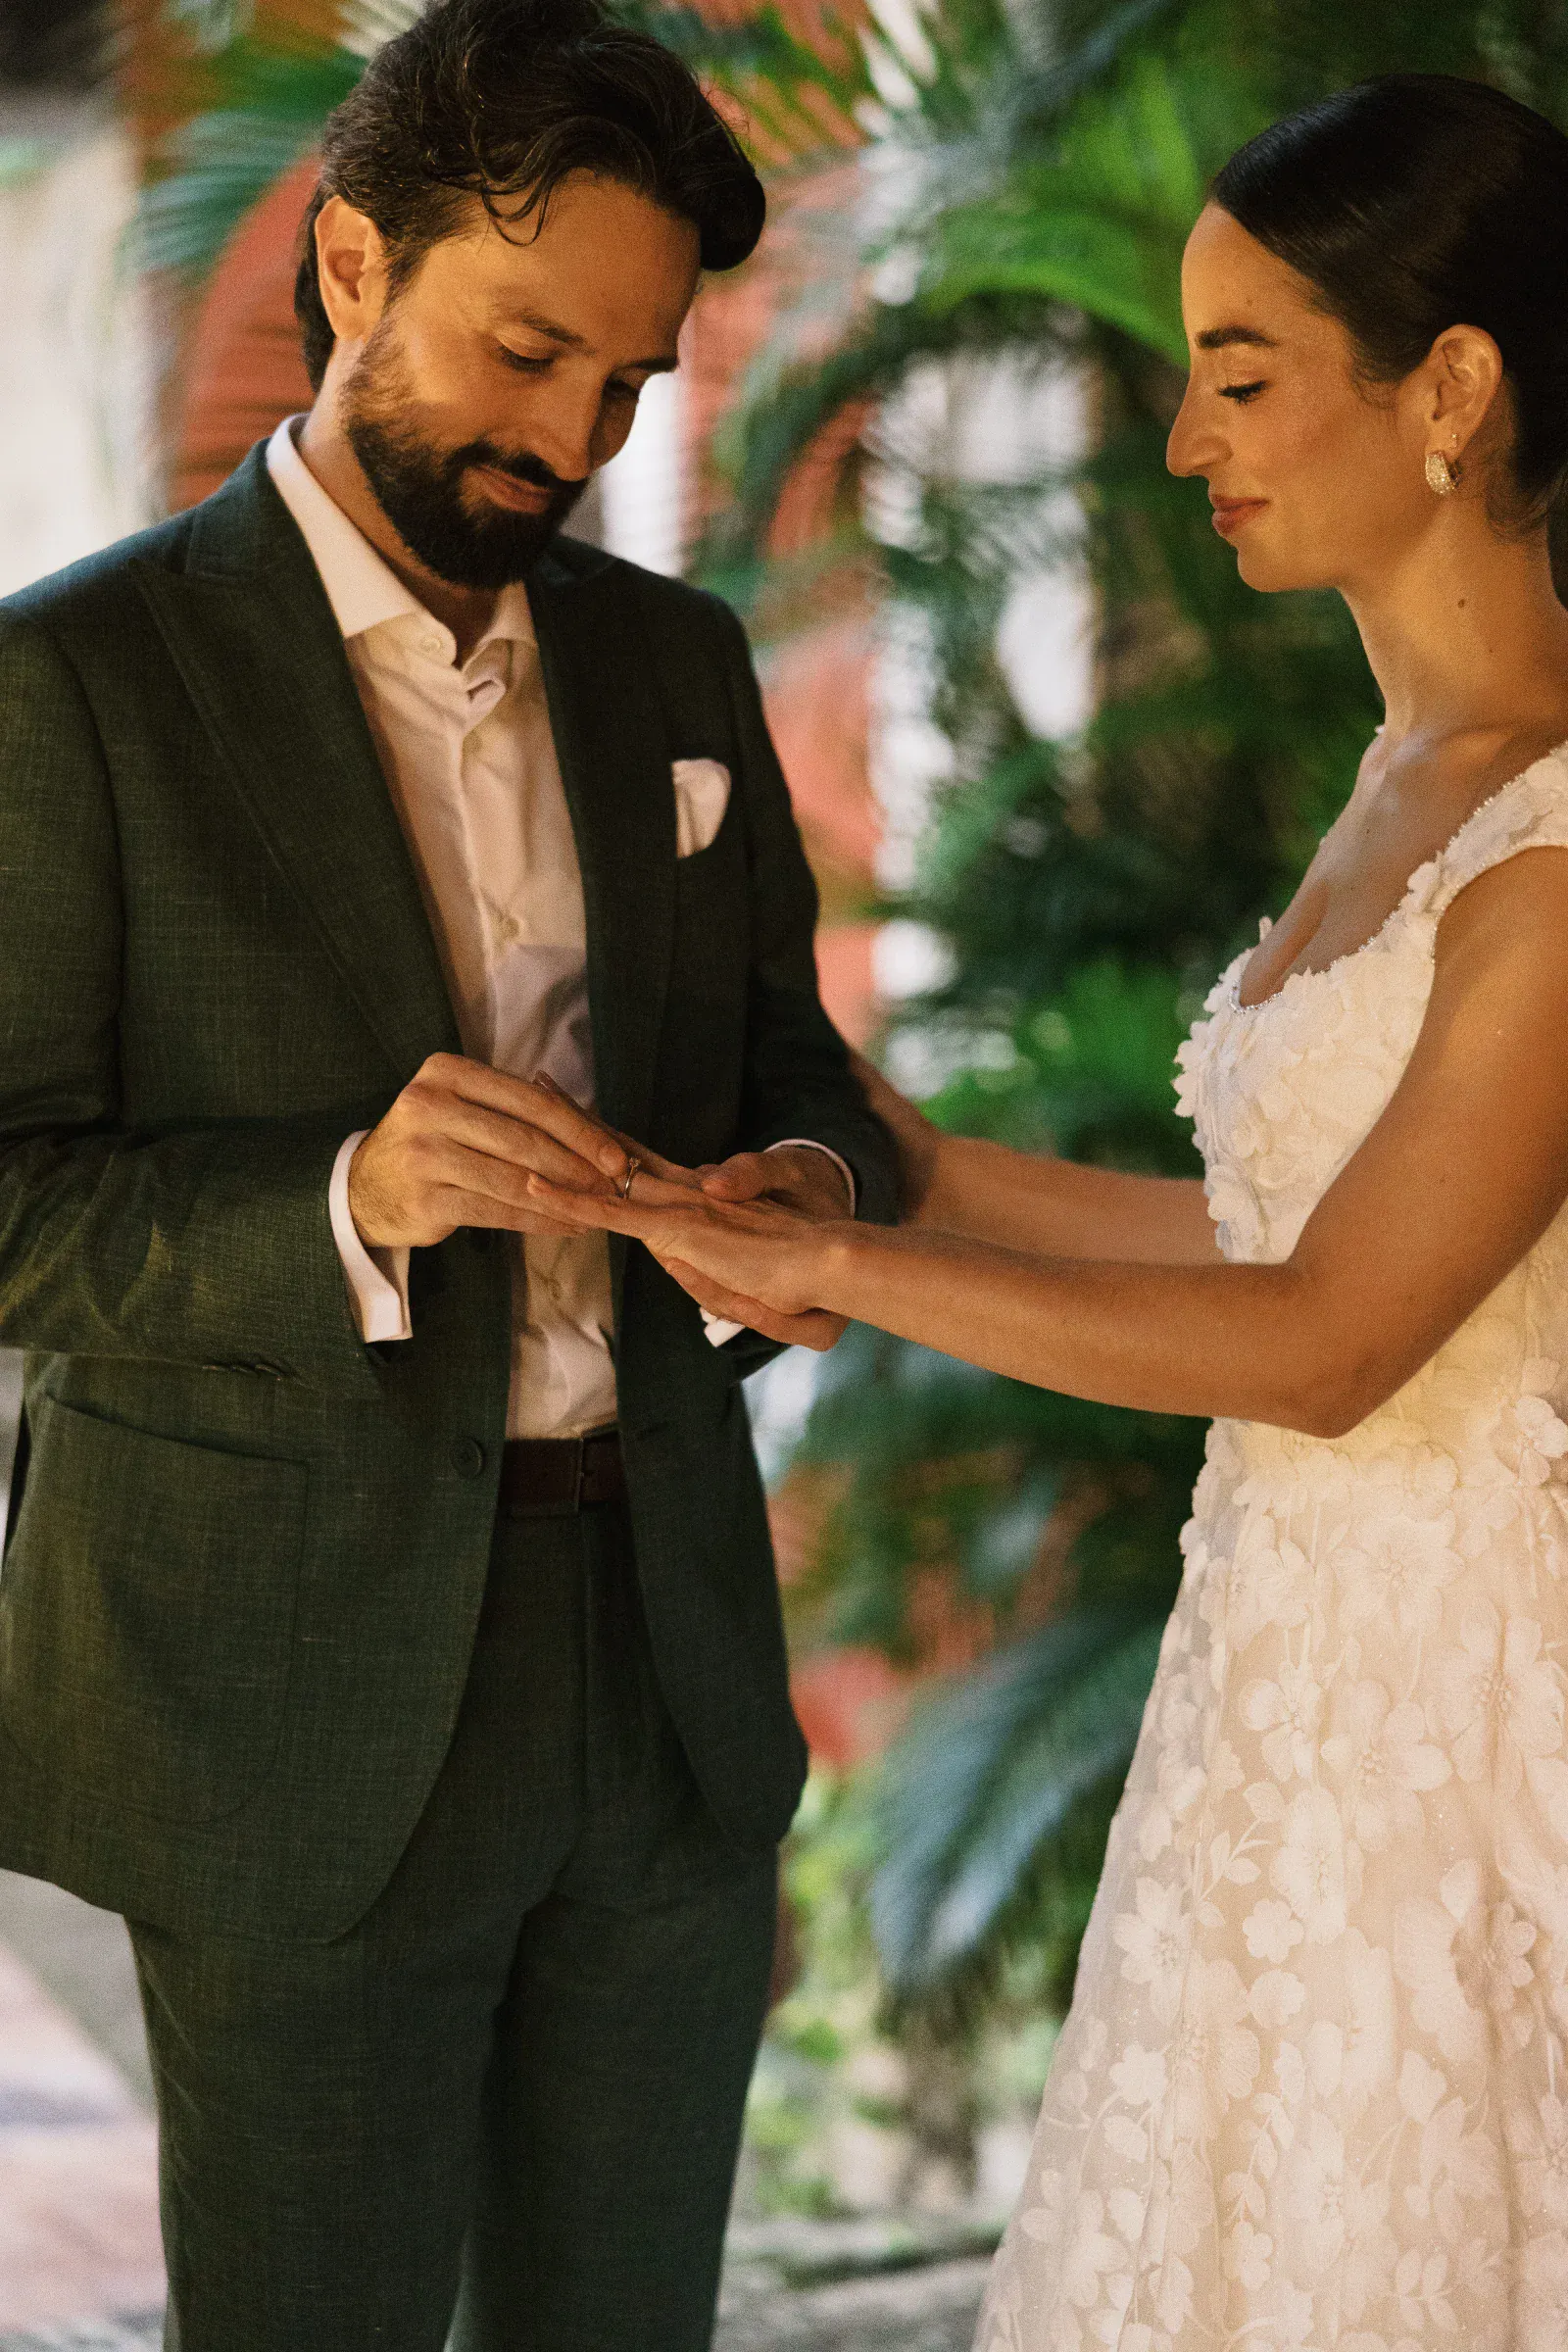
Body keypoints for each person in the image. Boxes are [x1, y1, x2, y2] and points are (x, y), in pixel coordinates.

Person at [532, 72, 1568, 2350]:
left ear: (1450, 391)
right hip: (1284, 1678)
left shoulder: (1553, 859)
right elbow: (1253, 1228)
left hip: (1471, 1715)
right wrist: (869, 1157)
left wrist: (842, 1272)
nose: (1185, 444)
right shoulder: (1403, 778)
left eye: (1236, 375)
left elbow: (1327, 1340)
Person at [0, 1, 898, 2344]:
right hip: (285, 1701)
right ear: (347, 260)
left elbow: (795, 1064)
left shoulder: (683, 664)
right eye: (524, 350)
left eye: (623, 382)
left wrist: (795, 1192)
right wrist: (348, 1200)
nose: (569, 437)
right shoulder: (66, 688)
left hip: (664, 1670)